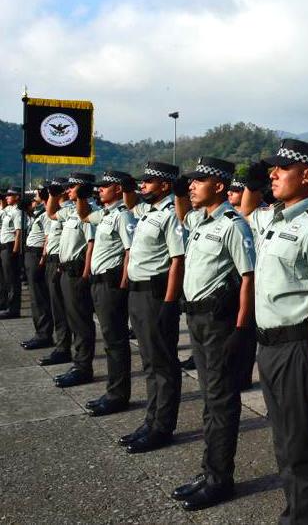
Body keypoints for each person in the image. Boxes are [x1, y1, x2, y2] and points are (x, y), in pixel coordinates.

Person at [241, 139, 308, 524]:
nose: (274, 174)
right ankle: (295, 514)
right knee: (284, 441)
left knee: (302, 446)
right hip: (269, 347)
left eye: (283, 168)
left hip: (298, 347)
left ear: (307, 175)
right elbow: (247, 211)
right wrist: (253, 185)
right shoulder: (274, 219)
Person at [170, 157, 256, 510]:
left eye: (198, 181)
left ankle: (220, 480)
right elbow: (182, 215)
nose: (191, 186)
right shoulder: (200, 221)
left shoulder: (233, 225)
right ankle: (209, 471)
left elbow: (248, 278)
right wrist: (180, 193)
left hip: (219, 322)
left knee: (221, 401)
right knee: (209, 399)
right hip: (197, 319)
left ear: (219, 185)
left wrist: (241, 328)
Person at [119, 161, 186, 454]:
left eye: (148, 181)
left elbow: (178, 260)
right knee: (149, 362)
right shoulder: (148, 212)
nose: (143, 185)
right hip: (138, 293)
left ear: (165, 185)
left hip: (156, 296)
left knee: (163, 363)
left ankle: (163, 426)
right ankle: (151, 420)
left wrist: (170, 302)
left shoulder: (171, 215)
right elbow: (128, 202)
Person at [77, 171, 137, 415]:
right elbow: (83, 216)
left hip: (112, 284)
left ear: (118, 189)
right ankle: (113, 390)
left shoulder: (122, 215)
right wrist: (81, 197)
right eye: (99, 186)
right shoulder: (105, 214)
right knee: (110, 340)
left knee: (115, 341)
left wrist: (123, 284)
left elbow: (129, 250)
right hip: (99, 282)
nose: (100, 189)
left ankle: (118, 395)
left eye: (105, 186)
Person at [46, 173, 97, 388]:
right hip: (65, 270)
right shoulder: (70, 211)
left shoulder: (90, 211)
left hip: (78, 272)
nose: (67, 190)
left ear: (82, 188)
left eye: (71, 187)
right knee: (71, 318)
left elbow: (91, 245)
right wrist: (52, 195)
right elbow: (51, 214)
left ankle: (83, 367)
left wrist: (85, 275)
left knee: (81, 321)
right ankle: (77, 363)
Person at [37, 178, 73, 367]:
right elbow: (51, 215)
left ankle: (63, 348)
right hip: (52, 259)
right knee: (56, 306)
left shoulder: (71, 210)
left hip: (60, 260)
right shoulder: (60, 210)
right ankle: (61, 346)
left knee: (62, 307)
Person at [21, 188, 53, 349]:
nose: (34, 197)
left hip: (37, 254)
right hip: (31, 254)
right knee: (35, 297)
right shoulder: (41, 212)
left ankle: (44, 335)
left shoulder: (47, 214)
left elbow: (48, 238)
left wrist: (42, 259)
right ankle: (40, 333)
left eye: (37, 194)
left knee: (39, 297)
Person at [0, 186, 24, 319]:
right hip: (3, 246)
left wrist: (15, 251)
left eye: (10, 195)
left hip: (10, 247)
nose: (7, 197)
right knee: (5, 278)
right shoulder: (8, 210)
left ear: (17, 197)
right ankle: (5, 304)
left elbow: (18, 232)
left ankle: (13, 308)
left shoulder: (17, 212)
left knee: (12, 279)